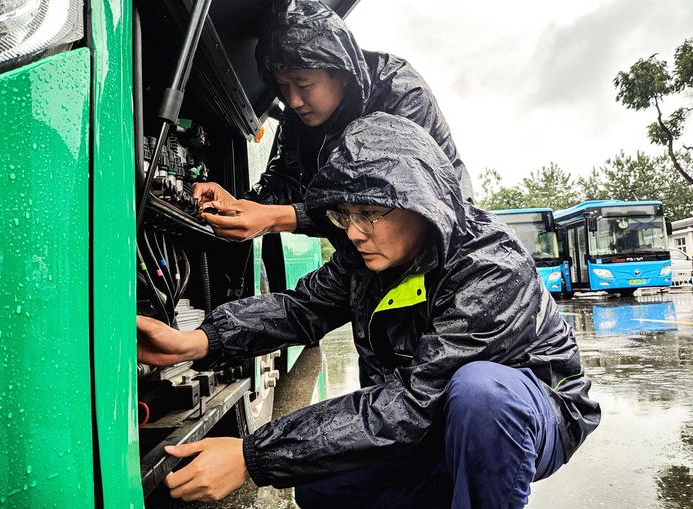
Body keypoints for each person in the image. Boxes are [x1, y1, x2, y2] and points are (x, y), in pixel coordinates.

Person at [137, 113, 600, 508]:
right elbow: (300, 308)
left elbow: (416, 399)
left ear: (417, 200)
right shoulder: (367, 257)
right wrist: (197, 341)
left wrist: (252, 454)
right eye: (344, 215)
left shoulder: (489, 266)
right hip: (431, 415)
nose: (354, 232)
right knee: (318, 483)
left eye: (369, 213)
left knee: (482, 395)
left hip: (534, 414)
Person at [193, 0, 474, 241]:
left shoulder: (398, 92)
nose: (292, 100)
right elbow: (288, 181)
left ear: (340, 72)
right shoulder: (298, 113)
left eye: (303, 85)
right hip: (366, 257)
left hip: (445, 245)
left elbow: (385, 201)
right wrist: (239, 206)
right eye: (282, 86)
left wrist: (276, 218)